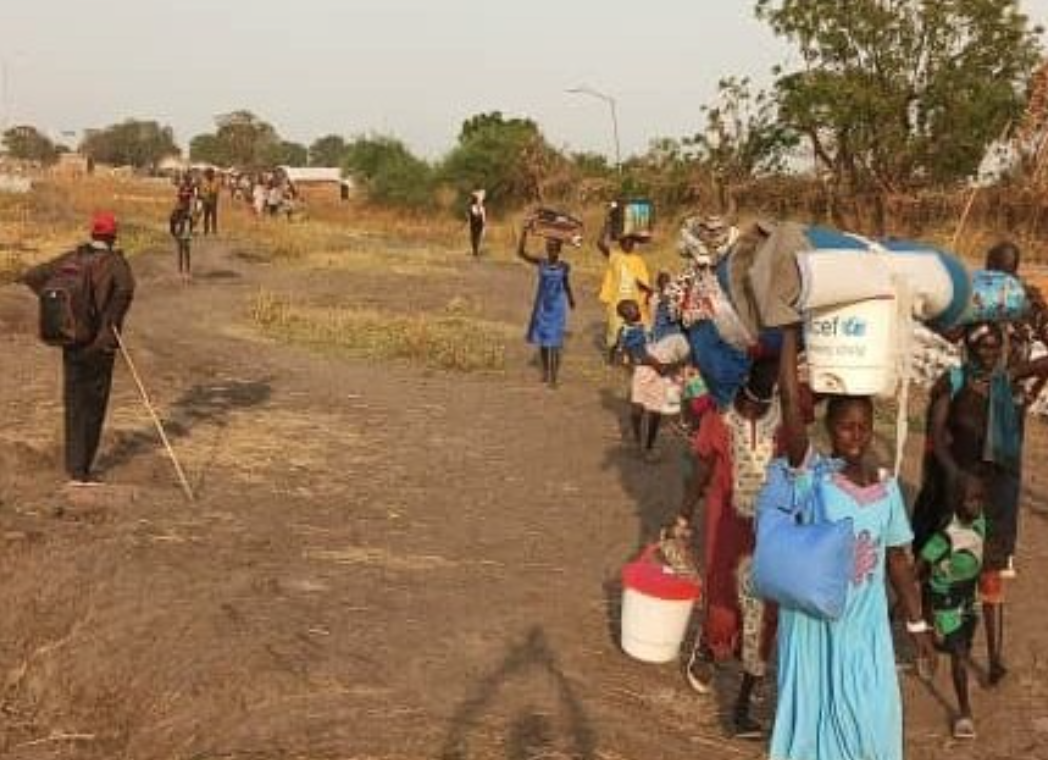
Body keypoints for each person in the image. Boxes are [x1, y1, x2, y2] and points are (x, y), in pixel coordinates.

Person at [770, 325, 935, 760]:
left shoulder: (887, 488)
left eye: (863, 428)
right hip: (817, 625)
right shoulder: (814, 477)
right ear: (829, 429)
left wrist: (917, 624)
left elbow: (896, 559)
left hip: (866, 625)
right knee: (819, 722)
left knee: (873, 718)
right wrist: (790, 329)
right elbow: (789, 399)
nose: (856, 437)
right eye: (846, 428)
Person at [913, 322, 1048, 688]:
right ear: (970, 350)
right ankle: (929, 629)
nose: (989, 354)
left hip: (996, 490)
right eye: (982, 348)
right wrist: (955, 475)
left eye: (994, 347)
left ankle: (995, 657)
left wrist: (1032, 334)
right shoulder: (952, 383)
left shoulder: (1004, 380)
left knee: (990, 568)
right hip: (958, 489)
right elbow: (937, 437)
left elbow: (1042, 365)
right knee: (945, 563)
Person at [667, 358, 781, 739]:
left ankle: (743, 706)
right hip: (727, 517)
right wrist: (683, 516)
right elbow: (701, 470)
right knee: (721, 594)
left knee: (765, 609)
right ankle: (710, 646)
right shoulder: (719, 415)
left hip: (771, 523)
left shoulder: (785, 420)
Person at [19, 212, 135, 486]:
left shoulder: (72, 258)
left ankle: (74, 467)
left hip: (71, 341)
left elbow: (32, 276)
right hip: (100, 346)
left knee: (73, 403)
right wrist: (107, 325)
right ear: (113, 235)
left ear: (93, 234)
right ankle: (82, 471)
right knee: (93, 407)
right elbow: (124, 296)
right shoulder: (117, 264)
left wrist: (64, 310)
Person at [916, 476, 987, 739]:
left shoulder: (979, 521)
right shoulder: (946, 536)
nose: (976, 505)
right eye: (971, 499)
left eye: (980, 498)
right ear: (957, 502)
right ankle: (965, 714)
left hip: (969, 597)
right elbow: (918, 567)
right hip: (947, 601)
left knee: (963, 647)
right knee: (958, 654)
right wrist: (902, 598)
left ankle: (928, 647)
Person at [518, 223, 576, 388]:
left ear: (558, 250)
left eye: (553, 248)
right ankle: (545, 371)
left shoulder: (564, 267)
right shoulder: (541, 262)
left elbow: (566, 283)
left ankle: (553, 377)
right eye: (548, 247)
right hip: (542, 304)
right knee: (543, 340)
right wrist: (524, 234)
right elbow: (521, 253)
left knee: (554, 342)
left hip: (557, 306)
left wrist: (571, 299)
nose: (550, 250)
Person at [598, 216, 651, 361]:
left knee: (634, 330)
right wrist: (607, 224)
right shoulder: (615, 256)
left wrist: (646, 293)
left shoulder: (638, 261)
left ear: (634, 244)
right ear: (620, 244)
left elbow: (643, 282)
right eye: (625, 242)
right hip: (616, 300)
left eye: (631, 242)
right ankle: (611, 356)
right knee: (614, 329)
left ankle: (631, 356)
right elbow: (600, 243)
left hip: (633, 301)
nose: (628, 245)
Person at [169, 204, 193, 283]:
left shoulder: (183, 214)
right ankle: (185, 272)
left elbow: (191, 223)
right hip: (182, 234)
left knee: (182, 253)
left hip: (182, 234)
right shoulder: (184, 214)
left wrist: (173, 233)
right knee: (184, 253)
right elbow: (191, 223)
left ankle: (183, 272)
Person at [200, 167, 221, 235]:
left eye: (211, 173)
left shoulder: (216, 181)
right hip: (206, 200)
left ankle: (214, 230)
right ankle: (206, 230)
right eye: (208, 173)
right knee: (206, 216)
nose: (210, 175)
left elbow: (217, 191)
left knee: (214, 216)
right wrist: (204, 196)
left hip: (213, 200)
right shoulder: (203, 181)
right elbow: (201, 191)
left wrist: (214, 196)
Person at [468, 191, 487, 257]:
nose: (479, 202)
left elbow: (484, 218)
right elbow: (470, 218)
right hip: (473, 225)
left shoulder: (482, 208)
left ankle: (476, 250)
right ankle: (475, 251)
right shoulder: (472, 208)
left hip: (479, 225)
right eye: (478, 201)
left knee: (478, 237)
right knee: (474, 238)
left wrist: (484, 225)